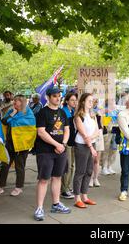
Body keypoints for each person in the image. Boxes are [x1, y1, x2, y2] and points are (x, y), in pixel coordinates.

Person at [33, 86, 71, 221]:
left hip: (60, 150)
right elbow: (41, 132)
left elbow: (66, 130)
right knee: (44, 180)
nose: (57, 98)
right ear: (48, 97)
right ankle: (39, 208)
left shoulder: (63, 112)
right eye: (54, 96)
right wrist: (56, 145)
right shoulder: (42, 113)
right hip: (45, 151)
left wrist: (63, 145)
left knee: (57, 177)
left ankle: (56, 204)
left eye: (59, 95)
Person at [0, 95, 36, 197]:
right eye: (14, 101)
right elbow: (4, 121)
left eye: (16, 101)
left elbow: (31, 130)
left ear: (22, 102)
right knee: (4, 165)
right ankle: (1, 186)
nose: (14, 103)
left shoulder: (28, 113)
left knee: (19, 166)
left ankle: (18, 187)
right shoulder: (11, 111)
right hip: (10, 143)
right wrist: (12, 114)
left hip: (22, 145)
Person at [72, 93, 99, 208]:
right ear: (83, 102)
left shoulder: (93, 115)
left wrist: (91, 138)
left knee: (89, 171)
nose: (91, 103)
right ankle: (77, 198)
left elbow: (97, 131)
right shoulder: (79, 116)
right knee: (80, 171)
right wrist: (91, 146)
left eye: (92, 101)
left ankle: (85, 196)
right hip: (82, 146)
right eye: (89, 100)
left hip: (91, 143)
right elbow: (83, 134)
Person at [60, 92, 78, 199]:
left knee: (71, 166)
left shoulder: (72, 111)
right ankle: (64, 189)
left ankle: (67, 186)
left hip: (73, 142)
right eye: (72, 100)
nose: (75, 102)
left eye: (75, 100)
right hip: (66, 143)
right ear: (67, 101)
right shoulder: (64, 112)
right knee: (68, 166)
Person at [100, 99, 119, 175]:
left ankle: (109, 166)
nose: (113, 103)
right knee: (106, 149)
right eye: (111, 102)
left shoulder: (116, 111)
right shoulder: (104, 110)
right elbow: (103, 122)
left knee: (113, 150)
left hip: (115, 131)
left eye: (114, 102)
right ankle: (104, 167)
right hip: (107, 132)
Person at [90, 98, 104, 188]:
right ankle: (90, 178)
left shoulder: (100, 110)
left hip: (99, 134)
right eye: (93, 101)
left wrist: (100, 114)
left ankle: (95, 178)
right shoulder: (88, 111)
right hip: (91, 134)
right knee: (91, 159)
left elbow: (102, 124)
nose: (95, 103)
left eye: (96, 101)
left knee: (97, 159)